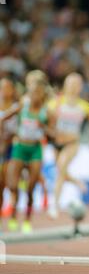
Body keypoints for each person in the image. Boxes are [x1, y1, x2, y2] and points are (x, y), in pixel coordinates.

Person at [0, 80, 54, 233]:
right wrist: (4, 139)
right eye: (31, 93)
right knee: (11, 185)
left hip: (35, 150)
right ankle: (13, 214)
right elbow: (2, 118)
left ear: (42, 96)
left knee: (31, 189)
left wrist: (43, 127)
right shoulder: (22, 107)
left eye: (37, 93)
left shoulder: (46, 111)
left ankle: (27, 219)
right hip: (20, 147)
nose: (34, 97)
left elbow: (53, 133)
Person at [47, 73, 89, 218]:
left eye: (77, 84)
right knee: (60, 171)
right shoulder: (55, 103)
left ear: (80, 87)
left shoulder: (84, 106)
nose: (74, 87)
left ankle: (54, 205)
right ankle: (77, 182)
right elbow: (48, 123)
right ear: (65, 85)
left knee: (61, 167)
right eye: (71, 84)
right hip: (57, 143)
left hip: (73, 142)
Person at [0, 77, 18, 229]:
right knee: (1, 184)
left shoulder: (17, 107)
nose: (4, 91)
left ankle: (13, 215)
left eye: (7, 88)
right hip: (1, 148)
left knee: (11, 184)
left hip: (13, 148)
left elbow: (21, 128)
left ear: (12, 91)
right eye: (2, 88)